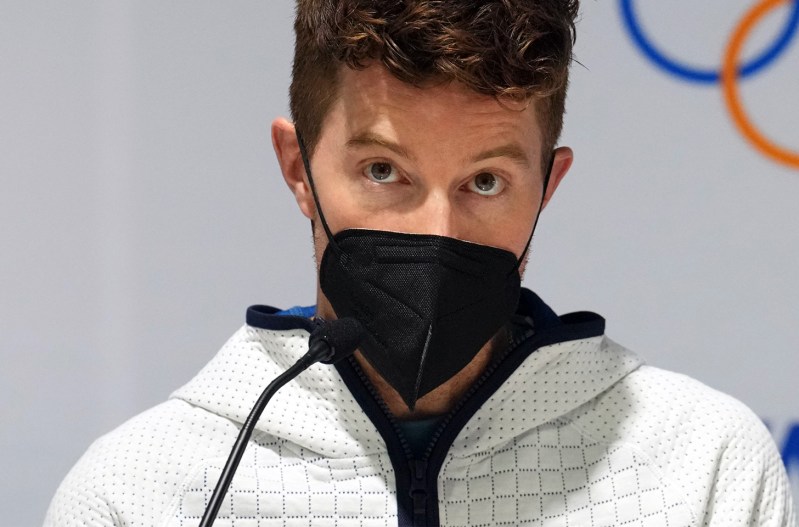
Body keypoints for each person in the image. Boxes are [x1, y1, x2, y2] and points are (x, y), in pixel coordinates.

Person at [45, 1, 795, 525]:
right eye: (383, 171)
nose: (437, 230)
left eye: (485, 181)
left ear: (548, 184)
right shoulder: (138, 492)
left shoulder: (703, 465)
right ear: (297, 168)